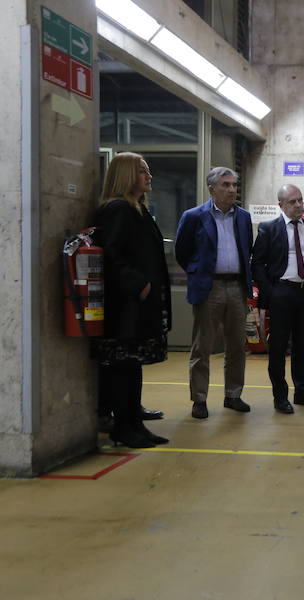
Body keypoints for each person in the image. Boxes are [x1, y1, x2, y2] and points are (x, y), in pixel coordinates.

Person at [91, 152, 171, 448]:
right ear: (126, 175)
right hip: (125, 307)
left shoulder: (137, 208)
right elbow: (111, 254)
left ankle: (135, 424)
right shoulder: (118, 210)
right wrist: (140, 286)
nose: (149, 176)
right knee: (123, 367)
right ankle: (124, 428)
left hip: (137, 306)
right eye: (142, 172)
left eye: (148, 171)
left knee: (132, 366)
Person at [174, 167, 253, 419]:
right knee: (203, 346)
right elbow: (182, 252)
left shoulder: (243, 218)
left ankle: (233, 395)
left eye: (234, 185)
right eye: (226, 185)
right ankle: (199, 399)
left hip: (237, 286)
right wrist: (199, 272)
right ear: (211, 189)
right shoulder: (194, 216)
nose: (232, 189)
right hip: (210, 288)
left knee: (237, 346)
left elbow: (246, 249)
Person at [251, 185, 304, 414]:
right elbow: (257, 264)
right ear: (281, 205)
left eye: (300, 200)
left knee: (303, 345)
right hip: (281, 294)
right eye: (292, 201)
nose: (298, 205)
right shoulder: (269, 228)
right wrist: (271, 292)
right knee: (278, 347)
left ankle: (302, 392)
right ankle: (280, 396)